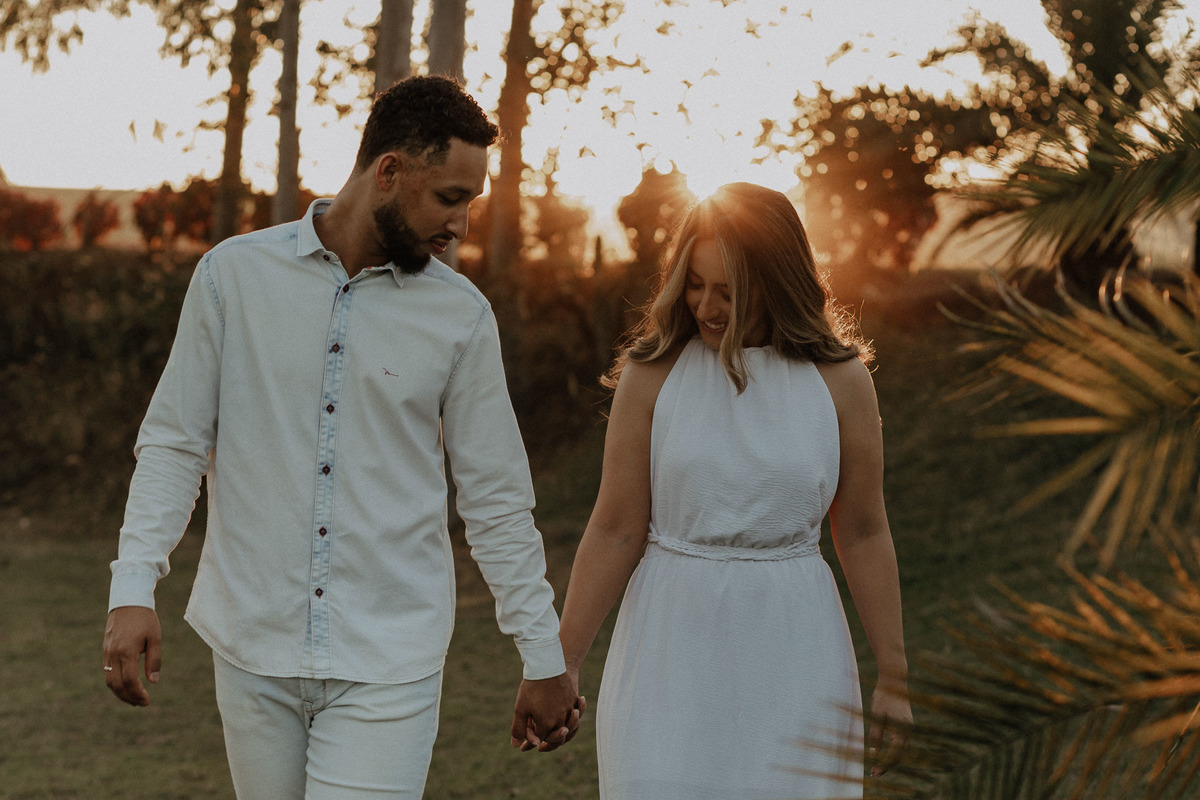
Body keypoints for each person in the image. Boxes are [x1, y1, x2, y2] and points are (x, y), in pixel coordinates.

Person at [101, 75, 580, 799]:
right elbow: (175, 443)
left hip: (390, 659)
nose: (461, 226)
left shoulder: (460, 316)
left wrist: (543, 652)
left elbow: (496, 498)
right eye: (450, 198)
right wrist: (133, 587)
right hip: (251, 647)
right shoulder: (233, 277)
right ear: (389, 171)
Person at [556, 182, 912, 799]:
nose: (707, 306)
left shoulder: (840, 380)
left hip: (795, 644)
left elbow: (862, 531)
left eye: (729, 290)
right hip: (670, 638)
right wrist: (561, 663)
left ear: (777, 283)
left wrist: (894, 677)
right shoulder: (653, 372)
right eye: (695, 284)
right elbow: (614, 529)